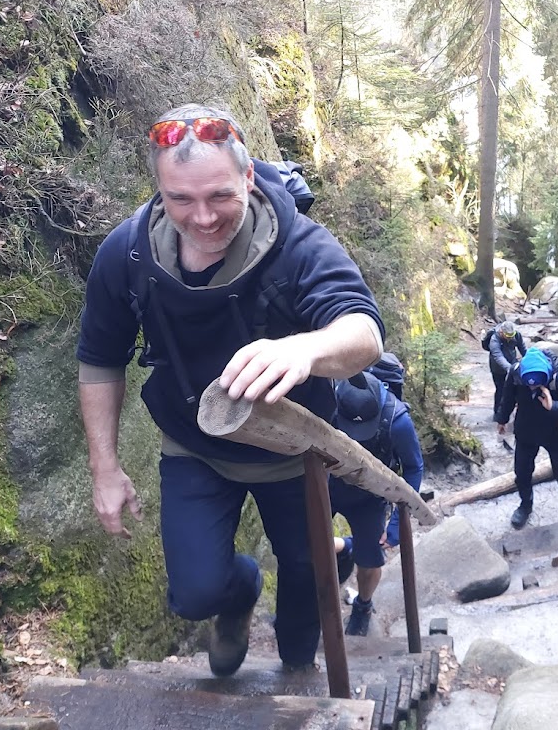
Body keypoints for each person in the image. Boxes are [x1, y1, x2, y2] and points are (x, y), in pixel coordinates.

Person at [76, 104, 384, 677]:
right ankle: (240, 591)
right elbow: (99, 357)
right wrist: (105, 467)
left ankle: (297, 677)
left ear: (248, 177)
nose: (203, 217)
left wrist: (304, 350)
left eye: (220, 196)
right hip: (194, 445)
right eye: (180, 199)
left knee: (305, 588)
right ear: (159, 189)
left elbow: (363, 331)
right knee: (194, 595)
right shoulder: (128, 254)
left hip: (297, 452)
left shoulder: (298, 246)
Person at [329, 371, 424, 635]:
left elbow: (414, 468)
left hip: (370, 495)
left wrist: (396, 523)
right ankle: (344, 553)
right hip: (328, 486)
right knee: (305, 547)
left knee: (370, 559)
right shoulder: (326, 405)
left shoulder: (397, 421)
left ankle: (363, 605)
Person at [496, 347, 558, 529]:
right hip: (526, 430)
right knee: (522, 473)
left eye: (536, 385)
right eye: (528, 385)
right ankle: (525, 505)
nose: (532, 388)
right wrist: (502, 419)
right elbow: (507, 398)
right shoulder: (515, 374)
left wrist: (554, 407)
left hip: (555, 433)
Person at [488, 320, 527, 421]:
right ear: (501, 332)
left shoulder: (517, 335)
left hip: (512, 363)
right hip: (497, 369)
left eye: (511, 336)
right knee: (501, 390)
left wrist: (529, 361)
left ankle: (512, 412)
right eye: (507, 336)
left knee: (515, 389)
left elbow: (523, 349)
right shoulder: (494, 339)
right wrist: (509, 368)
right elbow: (498, 356)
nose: (510, 338)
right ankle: (498, 415)